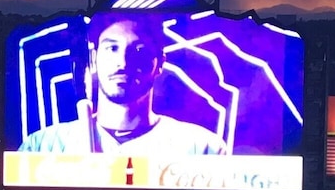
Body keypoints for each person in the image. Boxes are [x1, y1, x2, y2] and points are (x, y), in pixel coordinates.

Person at [19, 14, 229, 155]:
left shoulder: (202, 148)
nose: (124, 62)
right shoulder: (43, 146)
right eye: (112, 48)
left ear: (159, 63)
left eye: (139, 51)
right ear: (94, 59)